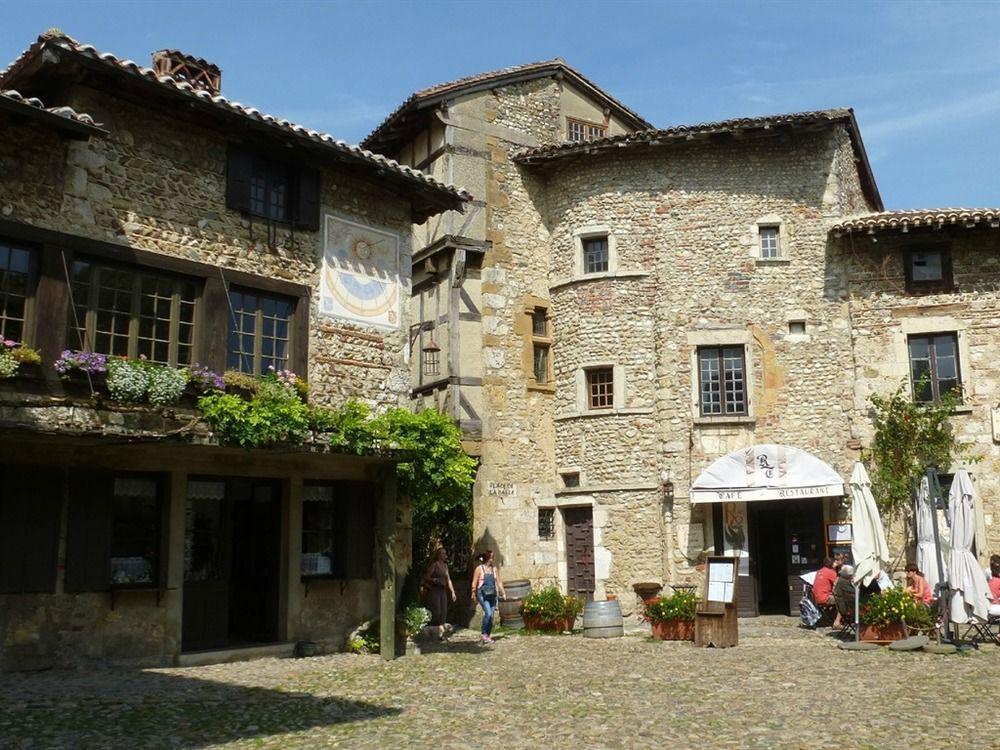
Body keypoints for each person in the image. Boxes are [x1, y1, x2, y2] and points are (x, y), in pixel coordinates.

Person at [470, 549, 506, 643]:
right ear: (487, 558)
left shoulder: (494, 569)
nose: (493, 559)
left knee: (492, 616)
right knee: (488, 613)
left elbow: (499, 581)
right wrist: (473, 593)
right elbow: (474, 582)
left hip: (492, 595)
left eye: (493, 557)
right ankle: (483, 633)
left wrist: (503, 592)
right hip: (482, 594)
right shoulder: (479, 569)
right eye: (491, 557)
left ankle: (488, 635)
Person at [421, 547, 456, 627]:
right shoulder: (435, 565)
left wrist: (453, 592)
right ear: (439, 555)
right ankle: (433, 627)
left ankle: (441, 632)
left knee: (444, 612)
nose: (445, 555)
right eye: (443, 553)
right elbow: (426, 577)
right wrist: (434, 580)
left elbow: (448, 580)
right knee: (437, 611)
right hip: (435, 590)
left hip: (443, 590)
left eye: (445, 553)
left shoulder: (445, 566)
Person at [832, 564, 855, 628]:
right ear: (849, 575)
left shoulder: (840, 580)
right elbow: (854, 595)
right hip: (847, 608)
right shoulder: (845, 583)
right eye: (852, 575)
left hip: (842, 607)